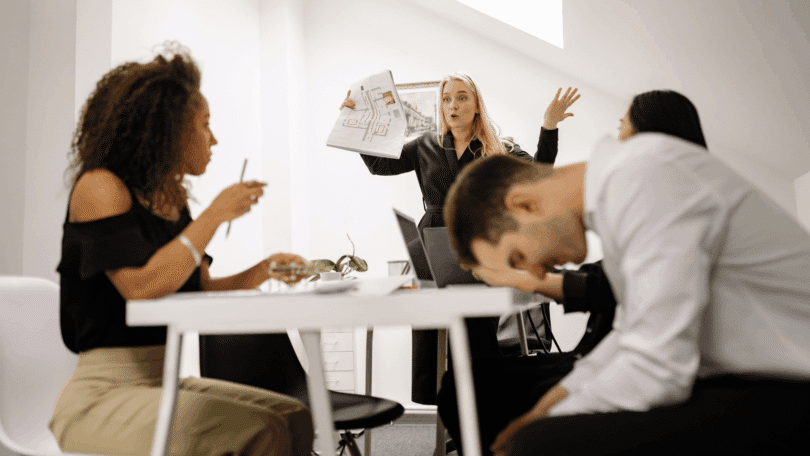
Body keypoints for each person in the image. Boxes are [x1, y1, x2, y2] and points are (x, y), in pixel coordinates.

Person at [443, 90, 810, 455]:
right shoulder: (621, 188)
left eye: (519, 256)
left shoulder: (642, 177)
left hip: (789, 386)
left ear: (523, 204)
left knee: (535, 445)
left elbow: (658, 369)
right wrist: (555, 401)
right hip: (755, 378)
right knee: (536, 428)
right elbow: (630, 332)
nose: (535, 273)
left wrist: (548, 422)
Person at [52, 44, 314, 456]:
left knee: (295, 417)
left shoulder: (171, 197)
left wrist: (261, 271)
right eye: (205, 124)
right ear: (168, 129)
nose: (214, 138)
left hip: (163, 380)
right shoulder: (100, 187)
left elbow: (197, 290)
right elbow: (141, 287)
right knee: (262, 430)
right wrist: (213, 215)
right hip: (101, 395)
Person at [342, 72, 580, 405]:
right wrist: (356, 124)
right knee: (432, 327)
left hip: (479, 243)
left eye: (462, 97)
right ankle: (447, 406)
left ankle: (481, 408)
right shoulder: (425, 145)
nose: (453, 104)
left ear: (476, 104)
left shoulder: (498, 149)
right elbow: (380, 165)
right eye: (447, 98)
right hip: (433, 240)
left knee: (477, 330)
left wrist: (549, 126)